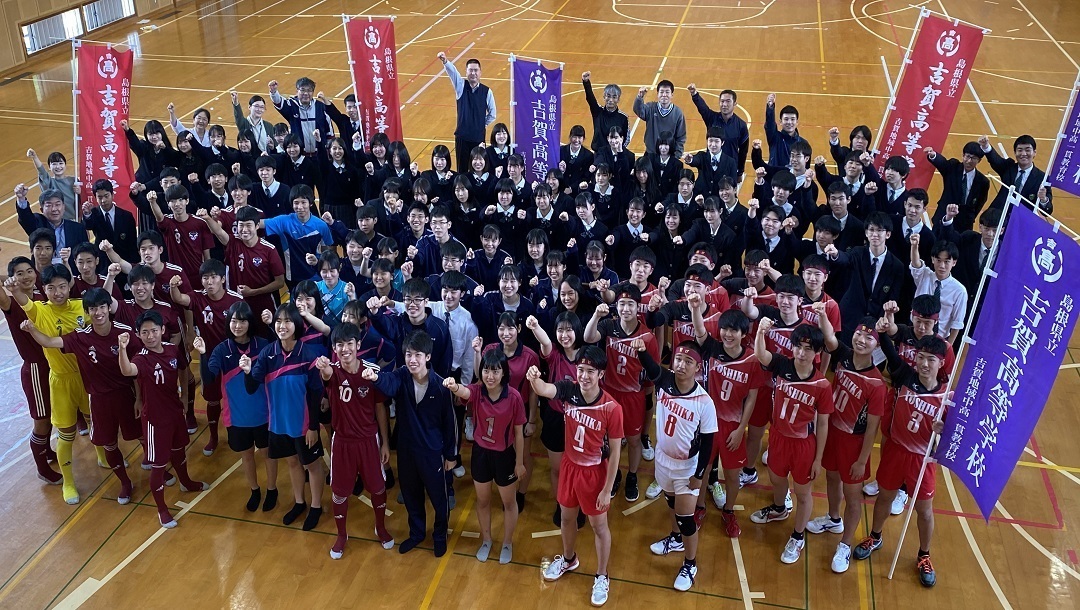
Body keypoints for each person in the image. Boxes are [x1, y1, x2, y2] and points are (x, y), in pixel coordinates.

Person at [21, 288, 141, 505]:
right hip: (98, 399)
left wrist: (140, 398)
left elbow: (137, 368)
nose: (98, 313)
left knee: (141, 436)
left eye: (102, 307)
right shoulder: (80, 337)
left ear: (108, 308)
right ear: (87, 312)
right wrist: (31, 330)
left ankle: (162, 471)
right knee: (109, 443)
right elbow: (50, 342)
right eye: (93, 309)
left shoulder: (124, 332)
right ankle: (124, 483)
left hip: (127, 395)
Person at [852, 332, 951, 588]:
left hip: (923, 460)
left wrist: (944, 431)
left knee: (924, 511)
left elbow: (953, 443)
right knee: (884, 497)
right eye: (920, 357)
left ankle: (924, 555)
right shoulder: (904, 375)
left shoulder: (947, 397)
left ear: (941, 363)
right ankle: (875, 537)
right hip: (896, 451)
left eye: (931, 359)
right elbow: (888, 348)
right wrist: (884, 328)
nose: (924, 364)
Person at [530, 345, 623, 607]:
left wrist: (607, 489)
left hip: (594, 472)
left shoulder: (611, 408)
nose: (583, 375)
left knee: (599, 527)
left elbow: (615, 453)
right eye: (581, 370)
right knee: (567, 517)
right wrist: (535, 377)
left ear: (601, 374)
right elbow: (544, 389)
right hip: (570, 467)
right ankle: (569, 559)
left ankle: (602, 575)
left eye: (590, 372)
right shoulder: (569, 389)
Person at [363, 330, 458, 557]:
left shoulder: (441, 386)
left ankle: (439, 535)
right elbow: (388, 383)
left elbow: (450, 423)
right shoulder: (401, 376)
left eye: (417, 355)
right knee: (411, 495)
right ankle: (416, 533)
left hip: (433, 453)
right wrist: (376, 378)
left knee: (439, 498)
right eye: (408, 354)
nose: (412, 360)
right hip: (406, 451)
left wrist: (452, 456)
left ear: (428, 357)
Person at [13, 263, 100, 504]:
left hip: (87, 376)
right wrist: (12, 287)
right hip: (61, 381)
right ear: (44, 289)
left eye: (62, 286)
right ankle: (69, 483)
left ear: (70, 284)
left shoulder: (82, 306)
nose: (58, 292)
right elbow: (22, 300)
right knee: (66, 434)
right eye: (51, 288)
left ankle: (103, 455)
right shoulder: (40, 310)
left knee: (96, 421)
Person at [750, 321, 834, 565]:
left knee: (802, 492)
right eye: (798, 346)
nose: (801, 352)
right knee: (776, 478)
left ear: (817, 353)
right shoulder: (782, 365)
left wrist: (818, 459)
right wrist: (761, 332)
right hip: (777, 437)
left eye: (808, 349)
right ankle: (779, 509)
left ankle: (798, 536)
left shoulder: (822, 385)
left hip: (803, 445)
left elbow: (823, 424)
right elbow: (760, 354)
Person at [809, 311, 887, 574]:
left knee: (853, 496)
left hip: (854, 444)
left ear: (877, 345)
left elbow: (874, 425)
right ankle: (833, 519)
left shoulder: (876, 383)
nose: (862, 340)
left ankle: (845, 544)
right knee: (832, 478)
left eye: (869, 337)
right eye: (858, 333)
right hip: (832, 433)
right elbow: (829, 336)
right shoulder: (843, 356)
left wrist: (863, 459)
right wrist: (821, 315)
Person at [636, 338, 716, 592]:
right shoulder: (664, 381)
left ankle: (690, 563)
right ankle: (675, 539)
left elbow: (708, 444)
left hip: (687, 468)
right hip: (662, 460)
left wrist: (699, 476)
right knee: (670, 504)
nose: (681, 365)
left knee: (686, 519)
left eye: (688, 361)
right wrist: (640, 350)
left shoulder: (704, 402)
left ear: (698, 368)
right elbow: (651, 367)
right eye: (679, 359)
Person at [118, 310, 209, 528]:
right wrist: (122, 349)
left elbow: (183, 372)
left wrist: (186, 399)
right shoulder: (140, 358)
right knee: (158, 465)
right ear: (138, 335)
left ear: (162, 331)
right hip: (154, 420)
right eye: (145, 332)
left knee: (179, 452)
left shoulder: (171, 350)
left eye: (154, 331)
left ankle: (186, 482)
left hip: (175, 413)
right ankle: (162, 509)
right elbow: (127, 370)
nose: (150, 336)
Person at [240, 303, 326, 530]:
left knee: (313, 465)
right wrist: (248, 371)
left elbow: (316, 393)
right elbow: (251, 387)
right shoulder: (269, 353)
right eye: (278, 321)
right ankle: (300, 503)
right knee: (292, 462)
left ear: (296, 325)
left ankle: (316, 506)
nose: (282, 326)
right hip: (279, 423)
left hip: (304, 424)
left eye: (288, 321)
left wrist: (314, 427)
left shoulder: (308, 355)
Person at [315, 323, 395, 559]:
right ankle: (342, 535)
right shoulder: (333, 370)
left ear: (358, 345)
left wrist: (385, 443)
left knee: (378, 487)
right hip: (342, 442)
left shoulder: (371, 371)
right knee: (339, 491)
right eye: (340, 345)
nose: (345, 349)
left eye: (350, 343)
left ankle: (380, 527)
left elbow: (380, 408)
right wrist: (324, 368)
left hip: (369, 440)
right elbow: (327, 375)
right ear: (334, 348)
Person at [445, 349, 527, 564]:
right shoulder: (478, 390)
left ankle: (507, 542)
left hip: (505, 456)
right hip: (481, 454)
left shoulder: (514, 397)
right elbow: (464, 392)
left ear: (503, 373)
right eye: (487, 371)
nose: (490, 376)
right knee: (482, 501)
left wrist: (519, 463)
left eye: (496, 371)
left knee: (508, 502)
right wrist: (454, 386)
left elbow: (519, 433)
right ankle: (487, 539)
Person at [692, 305, 765, 536]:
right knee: (702, 470)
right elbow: (699, 330)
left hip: (733, 426)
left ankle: (729, 511)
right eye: (724, 328)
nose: (728, 334)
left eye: (734, 330)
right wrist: (695, 308)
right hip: (707, 423)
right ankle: (699, 507)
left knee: (733, 475)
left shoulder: (753, 360)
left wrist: (741, 428)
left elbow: (752, 398)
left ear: (744, 334)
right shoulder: (712, 348)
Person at [200, 302, 278, 512]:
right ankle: (255, 489)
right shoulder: (221, 349)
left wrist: (271, 325)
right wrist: (202, 353)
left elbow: (279, 354)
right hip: (237, 417)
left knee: (267, 452)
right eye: (234, 321)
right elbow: (208, 378)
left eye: (242, 321)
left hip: (265, 414)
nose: (238, 325)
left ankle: (272, 489)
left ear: (249, 323)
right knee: (247, 455)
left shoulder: (262, 345)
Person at [583, 284, 658, 503]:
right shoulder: (609, 326)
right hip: (609, 393)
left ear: (638, 308)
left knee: (633, 440)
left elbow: (653, 373)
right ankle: (614, 474)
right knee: (609, 439)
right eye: (622, 304)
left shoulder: (647, 337)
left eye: (630, 305)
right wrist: (596, 315)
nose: (625, 309)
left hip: (632, 395)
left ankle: (632, 476)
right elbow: (588, 337)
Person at [0, 256, 59, 483]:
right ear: (12, 278)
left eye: (29, 271)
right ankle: (42, 468)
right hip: (36, 369)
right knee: (42, 420)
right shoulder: (11, 302)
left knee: (52, 416)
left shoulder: (43, 295)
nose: (25, 276)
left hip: (54, 364)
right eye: (19, 273)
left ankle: (46, 451)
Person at [438, 52, 496, 173]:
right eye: (470, 70)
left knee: (479, 169)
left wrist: (481, 124)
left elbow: (492, 114)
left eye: (476, 70)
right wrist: (445, 61)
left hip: (478, 138)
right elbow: (453, 73)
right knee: (462, 170)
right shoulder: (461, 87)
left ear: (480, 72)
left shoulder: (487, 91)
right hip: (462, 138)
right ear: (466, 72)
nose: (473, 73)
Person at [685, 85, 749, 181]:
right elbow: (703, 108)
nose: (724, 104)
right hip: (710, 168)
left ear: (735, 103)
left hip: (729, 169)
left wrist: (740, 172)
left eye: (728, 101)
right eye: (722, 101)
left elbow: (743, 152)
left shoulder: (741, 125)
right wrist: (694, 94)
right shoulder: (712, 118)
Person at [14, 186, 88, 266]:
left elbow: (85, 252)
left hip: (70, 272)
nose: (54, 209)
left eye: (57, 204)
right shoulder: (37, 222)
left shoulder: (78, 228)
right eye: (49, 205)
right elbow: (26, 218)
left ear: (64, 207)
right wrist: (21, 199)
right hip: (43, 272)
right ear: (42, 210)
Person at [925, 143, 990, 232]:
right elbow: (942, 163)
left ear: (979, 160)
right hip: (943, 216)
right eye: (967, 156)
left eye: (974, 158)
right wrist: (933, 155)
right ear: (963, 156)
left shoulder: (983, 181)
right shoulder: (953, 167)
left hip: (964, 223)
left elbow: (980, 202)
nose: (969, 161)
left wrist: (970, 216)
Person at [980, 134, 1052, 213]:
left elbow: (1047, 211)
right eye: (1020, 150)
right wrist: (986, 146)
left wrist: (1043, 199)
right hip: (999, 215)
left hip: (1021, 220)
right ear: (1015, 152)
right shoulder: (1008, 167)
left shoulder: (1042, 178)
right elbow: (996, 160)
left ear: (1034, 152)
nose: (1023, 154)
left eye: (1027, 150)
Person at [82, 180, 139, 274]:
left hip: (124, 261)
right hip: (103, 263)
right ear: (95, 198)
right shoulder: (94, 213)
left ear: (112, 195)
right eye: (99, 197)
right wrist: (87, 214)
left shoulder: (126, 216)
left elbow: (132, 243)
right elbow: (88, 226)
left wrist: (133, 266)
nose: (103, 200)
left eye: (106, 196)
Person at [268, 77, 331, 155]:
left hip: (320, 155)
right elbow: (279, 102)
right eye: (303, 90)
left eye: (309, 90)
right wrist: (273, 92)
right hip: (300, 156)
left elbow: (329, 133)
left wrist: (329, 151)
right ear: (297, 91)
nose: (306, 93)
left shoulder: (321, 107)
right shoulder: (292, 105)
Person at [633, 80, 687, 157]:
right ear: (657, 94)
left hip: (669, 155)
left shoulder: (678, 113)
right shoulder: (650, 108)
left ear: (672, 95)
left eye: (667, 92)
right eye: (661, 92)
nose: (664, 95)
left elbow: (681, 137)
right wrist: (640, 97)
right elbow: (638, 110)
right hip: (650, 153)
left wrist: (677, 155)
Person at [581, 72, 629, 154]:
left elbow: (626, 138)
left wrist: (618, 151)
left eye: (614, 97)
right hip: (598, 154)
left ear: (618, 99)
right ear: (604, 97)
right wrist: (586, 82)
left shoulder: (623, 117)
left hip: (615, 154)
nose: (611, 100)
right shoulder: (597, 111)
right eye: (608, 96)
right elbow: (590, 98)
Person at [27, 149, 77, 219]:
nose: (58, 166)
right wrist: (34, 157)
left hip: (78, 220)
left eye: (61, 163)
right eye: (54, 164)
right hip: (60, 222)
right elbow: (42, 171)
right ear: (49, 167)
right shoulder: (49, 182)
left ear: (65, 165)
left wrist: (80, 192)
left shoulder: (74, 180)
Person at [763, 93, 806, 167]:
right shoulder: (775, 138)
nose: (789, 122)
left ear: (797, 122)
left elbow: (805, 167)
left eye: (792, 119)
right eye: (786, 119)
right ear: (780, 122)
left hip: (794, 178)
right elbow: (770, 124)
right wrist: (770, 107)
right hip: (775, 177)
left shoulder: (803, 143)